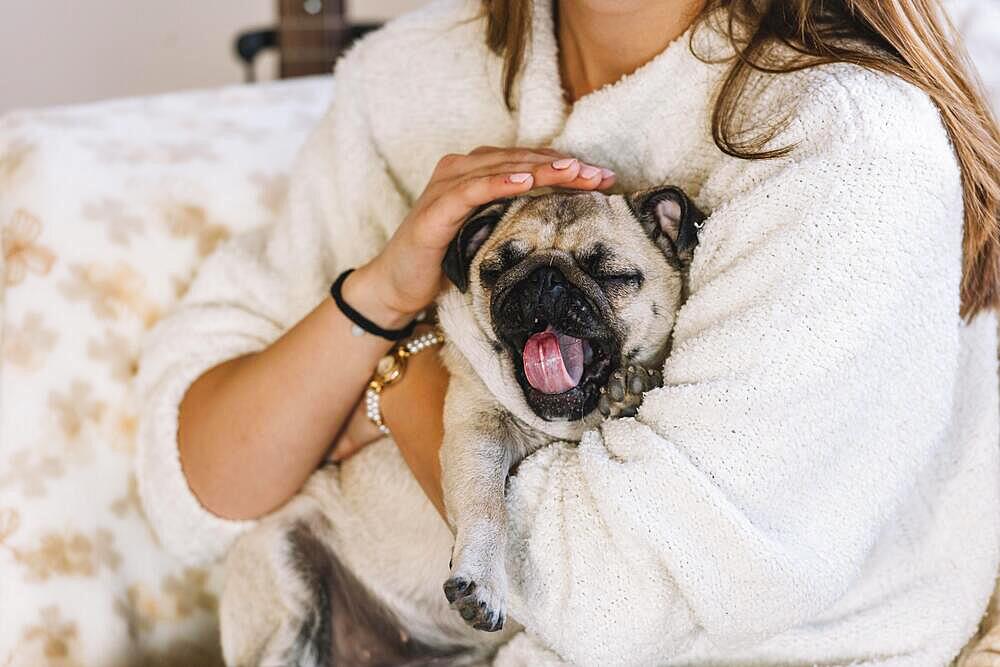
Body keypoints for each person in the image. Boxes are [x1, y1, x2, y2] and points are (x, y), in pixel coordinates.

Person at [136, 0, 1000, 663]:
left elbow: (623, 590)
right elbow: (204, 482)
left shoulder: (836, 134)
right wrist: (381, 287)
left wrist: (392, 374)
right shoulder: (407, 79)